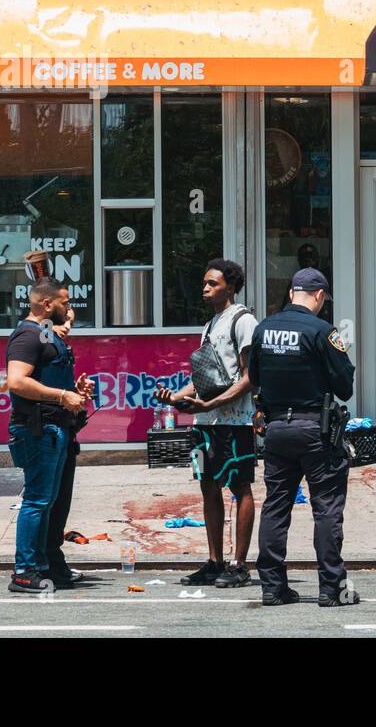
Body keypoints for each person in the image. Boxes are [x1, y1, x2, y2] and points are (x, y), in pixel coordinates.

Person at [248, 267, 358, 607]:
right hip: (316, 430)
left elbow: (254, 378)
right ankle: (331, 588)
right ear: (320, 296)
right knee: (326, 509)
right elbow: (345, 386)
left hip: (277, 429)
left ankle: (271, 586)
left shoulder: (263, 328)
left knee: (276, 507)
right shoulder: (322, 331)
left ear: (291, 293)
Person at [153, 260, 260, 589]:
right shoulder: (210, 324)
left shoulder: (244, 321)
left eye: (212, 283)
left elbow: (250, 378)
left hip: (236, 423)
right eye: (204, 283)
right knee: (208, 487)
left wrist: (212, 403)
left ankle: (239, 564)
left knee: (239, 488)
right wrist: (174, 396)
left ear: (230, 286)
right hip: (206, 422)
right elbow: (203, 379)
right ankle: (214, 562)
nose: (205, 288)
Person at [5, 277, 93, 594]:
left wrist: (75, 392)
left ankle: (44, 565)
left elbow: (48, 370)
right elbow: (16, 382)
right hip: (37, 430)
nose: (69, 308)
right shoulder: (27, 336)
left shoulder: (44, 333)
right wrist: (61, 396)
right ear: (47, 305)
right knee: (37, 500)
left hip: (56, 429)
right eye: (65, 302)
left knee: (49, 502)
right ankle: (24, 571)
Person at [43, 302, 90, 589]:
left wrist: (77, 393)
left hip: (66, 433)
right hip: (48, 433)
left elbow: (64, 397)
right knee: (47, 503)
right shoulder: (43, 347)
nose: (68, 328)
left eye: (72, 323)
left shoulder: (61, 351)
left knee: (60, 505)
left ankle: (52, 559)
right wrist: (66, 396)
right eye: (64, 322)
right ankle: (43, 562)